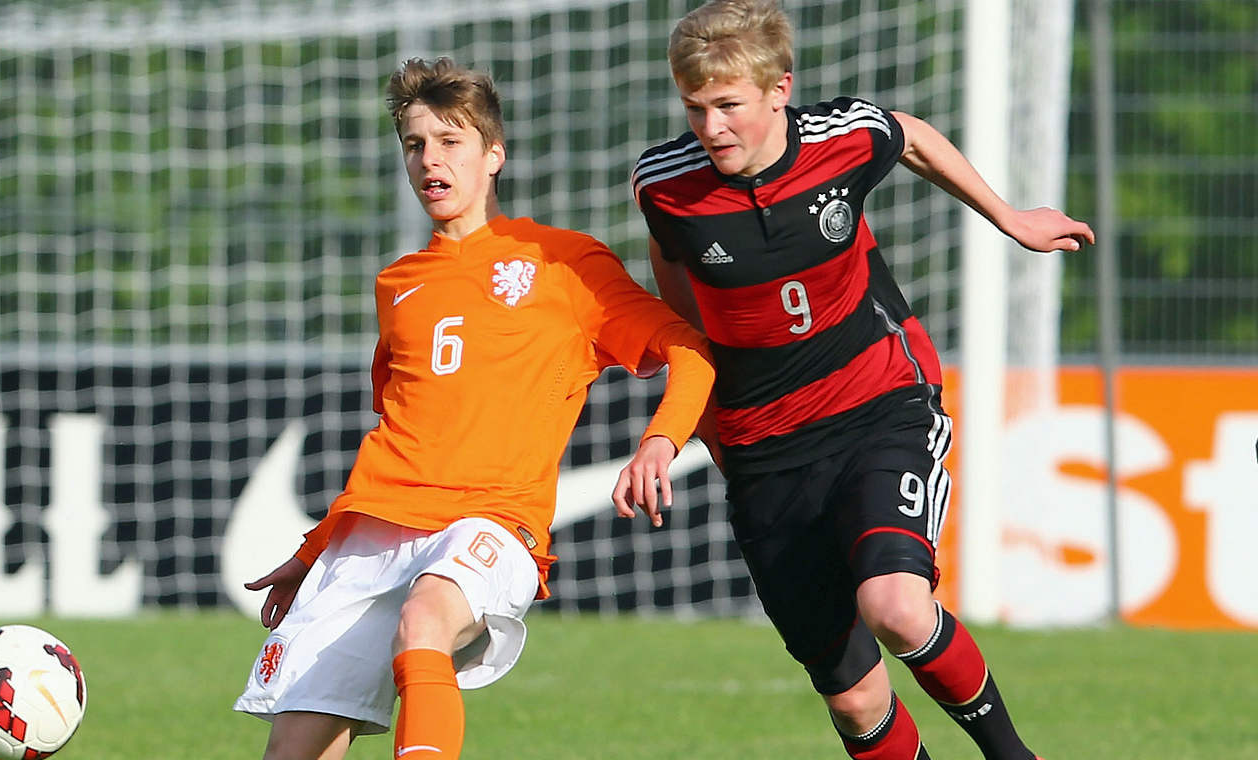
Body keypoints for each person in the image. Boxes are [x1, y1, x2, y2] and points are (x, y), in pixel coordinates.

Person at [630, 2, 1095, 759]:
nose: (710, 126)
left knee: (898, 607)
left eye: (728, 106)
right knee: (854, 698)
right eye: (695, 107)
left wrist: (1010, 218)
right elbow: (684, 310)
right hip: (763, 447)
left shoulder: (841, 137)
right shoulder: (666, 185)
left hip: (875, 405)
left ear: (780, 89)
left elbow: (909, 135)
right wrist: (697, 426)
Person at [234, 56, 715, 760]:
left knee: (426, 619)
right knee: (294, 749)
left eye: (450, 141)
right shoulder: (398, 284)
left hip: (491, 521)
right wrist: (315, 551)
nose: (430, 159)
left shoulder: (563, 263)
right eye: (415, 144)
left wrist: (661, 441)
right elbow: (404, 437)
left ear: (494, 154)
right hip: (370, 537)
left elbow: (691, 349)